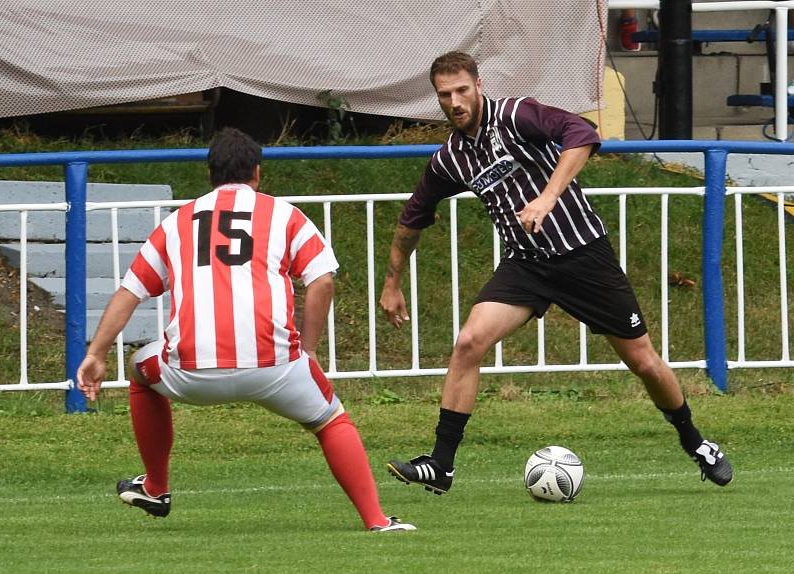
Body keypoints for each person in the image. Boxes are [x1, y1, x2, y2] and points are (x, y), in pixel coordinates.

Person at [379, 51, 732, 496]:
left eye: (462, 90)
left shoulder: (516, 115)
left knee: (642, 360)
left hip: (582, 255)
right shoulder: (451, 158)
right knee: (469, 341)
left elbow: (581, 134)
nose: (455, 101)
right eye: (445, 95)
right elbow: (412, 218)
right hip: (526, 264)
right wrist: (392, 283)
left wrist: (547, 197)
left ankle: (697, 443)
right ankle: (441, 464)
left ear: (478, 85)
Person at [77, 127, 414, 532]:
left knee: (139, 372)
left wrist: (96, 354)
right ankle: (376, 520)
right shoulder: (284, 214)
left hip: (192, 370)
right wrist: (307, 350)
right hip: (275, 365)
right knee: (331, 420)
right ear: (257, 171)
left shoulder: (177, 222)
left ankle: (156, 487)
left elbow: (130, 293)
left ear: (209, 174)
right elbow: (322, 281)